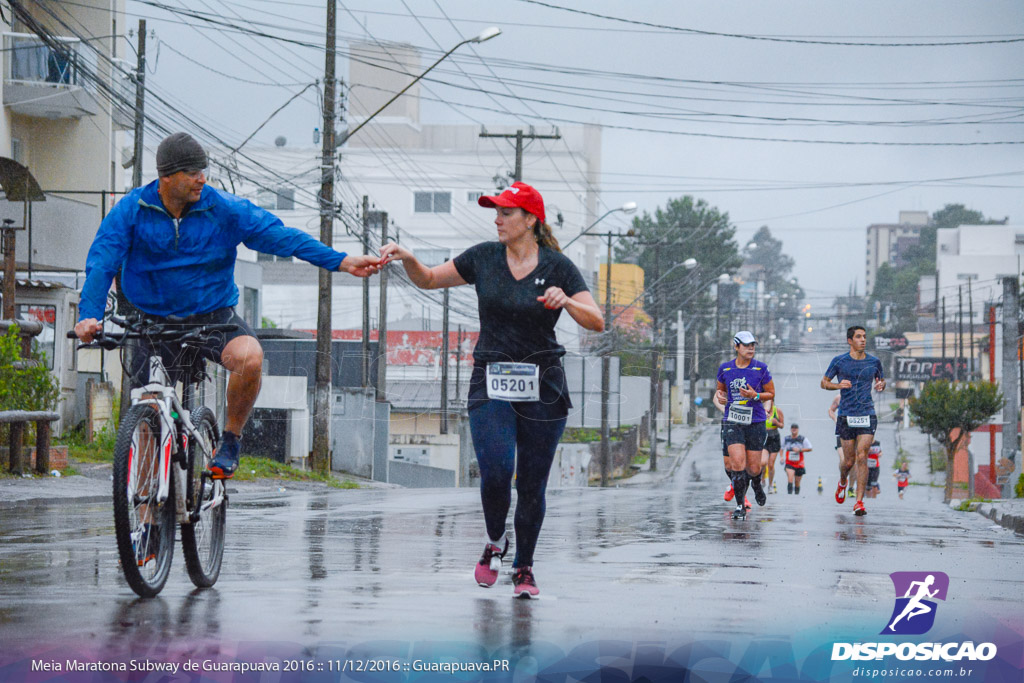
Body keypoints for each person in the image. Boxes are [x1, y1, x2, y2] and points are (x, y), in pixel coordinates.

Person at [74, 132, 382, 481]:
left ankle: (231, 439)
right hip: (152, 322)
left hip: (212, 317)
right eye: (192, 173)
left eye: (203, 171)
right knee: (146, 422)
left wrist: (340, 261)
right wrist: (89, 315)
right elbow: (102, 262)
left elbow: (282, 236)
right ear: (166, 178)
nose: (201, 179)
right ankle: (142, 523)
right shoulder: (132, 210)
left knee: (250, 357)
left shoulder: (222, 209)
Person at [379, 181, 603, 599]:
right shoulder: (483, 257)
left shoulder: (557, 266)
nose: (496, 219)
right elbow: (428, 279)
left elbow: (596, 320)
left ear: (530, 220)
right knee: (497, 470)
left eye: (505, 212)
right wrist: (409, 258)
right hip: (492, 380)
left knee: (532, 484)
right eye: (495, 212)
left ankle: (524, 568)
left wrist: (567, 302)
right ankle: (496, 541)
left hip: (544, 385)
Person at [821, 325, 886, 516]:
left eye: (864, 336)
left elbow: (881, 381)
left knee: (862, 456)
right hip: (846, 415)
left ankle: (859, 502)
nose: (863, 340)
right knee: (848, 462)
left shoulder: (874, 361)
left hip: (866, 413)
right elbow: (823, 382)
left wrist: (882, 384)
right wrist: (837, 385)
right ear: (850, 340)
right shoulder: (839, 361)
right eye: (858, 337)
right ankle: (842, 482)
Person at [715, 330, 776, 520]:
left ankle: (756, 484)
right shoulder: (725, 369)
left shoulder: (761, 368)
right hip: (733, 421)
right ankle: (740, 505)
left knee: (754, 468)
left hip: (755, 421)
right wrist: (721, 397)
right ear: (736, 347)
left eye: (753, 345)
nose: (751, 349)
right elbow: (720, 390)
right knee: (737, 464)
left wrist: (755, 396)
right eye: (746, 345)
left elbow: (771, 393)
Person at [716, 391, 751, 511]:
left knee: (743, 463)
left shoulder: (755, 375)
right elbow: (716, 398)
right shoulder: (728, 374)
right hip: (729, 422)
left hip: (749, 423)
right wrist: (725, 410)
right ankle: (734, 485)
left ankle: (742, 496)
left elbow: (767, 396)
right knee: (729, 465)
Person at [781, 423, 812, 494]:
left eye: (795, 428)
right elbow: (781, 448)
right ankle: (789, 495)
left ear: (798, 429)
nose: (794, 429)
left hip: (799, 463)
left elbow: (810, 448)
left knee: (797, 482)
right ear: (790, 429)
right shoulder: (786, 438)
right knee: (790, 478)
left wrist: (800, 450)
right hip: (789, 462)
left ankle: (796, 496)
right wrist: (781, 457)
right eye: (792, 428)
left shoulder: (802, 439)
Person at [762, 401, 784, 494]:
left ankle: (770, 485)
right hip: (764, 437)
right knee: (763, 462)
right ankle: (762, 479)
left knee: (771, 464)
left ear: (773, 402)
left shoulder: (777, 411)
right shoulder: (761, 410)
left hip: (774, 437)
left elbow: (782, 425)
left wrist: (777, 423)